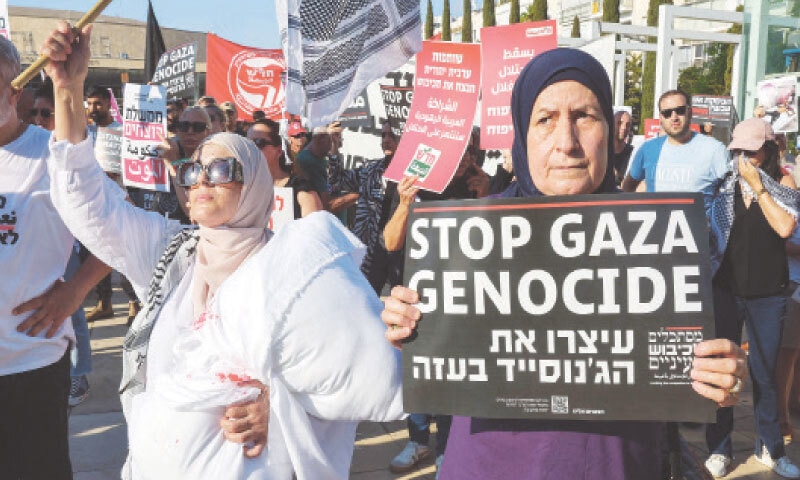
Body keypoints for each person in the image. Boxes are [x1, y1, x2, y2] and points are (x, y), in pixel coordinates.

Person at [43, 21, 402, 479]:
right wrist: (67, 89)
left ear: (254, 183)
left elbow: (362, 380)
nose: (200, 181)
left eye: (219, 170)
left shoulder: (290, 271)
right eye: (192, 171)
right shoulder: (170, 254)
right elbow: (87, 203)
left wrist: (281, 405)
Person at [381, 47, 747, 480]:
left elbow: (694, 362)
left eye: (584, 116)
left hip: (618, 466)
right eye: (545, 119)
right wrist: (409, 323)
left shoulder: (660, 236)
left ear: (610, 129)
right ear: (522, 132)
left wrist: (720, 376)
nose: (566, 143)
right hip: (486, 465)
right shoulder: (466, 234)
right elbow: (432, 343)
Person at [0, 33, 110, 478]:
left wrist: (76, 290)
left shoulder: (52, 156)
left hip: (30, 363)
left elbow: (119, 227)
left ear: (16, 91)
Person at [707, 118, 800, 478]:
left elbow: (785, 227)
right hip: (726, 289)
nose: (744, 158)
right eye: (739, 151)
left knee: (765, 373)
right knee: (723, 372)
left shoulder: (783, 183)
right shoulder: (726, 184)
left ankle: (771, 448)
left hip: (768, 293)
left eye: (751, 151)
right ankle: (719, 448)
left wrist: (759, 187)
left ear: (769, 150)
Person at [621, 89, 729, 197]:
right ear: (661, 118)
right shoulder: (648, 149)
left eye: (680, 110)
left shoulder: (715, 150)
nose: (674, 117)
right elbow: (627, 189)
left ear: (690, 113)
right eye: (667, 113)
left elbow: (728, 196)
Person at [247, 118, 322, 220]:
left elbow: (315, 228)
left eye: (258, 143)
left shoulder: (302, 192)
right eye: (247, 143)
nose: (250, 148)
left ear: (278, 151)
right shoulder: (242, 188)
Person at [778, 225, 800, 445]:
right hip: (792, 283)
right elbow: (776, 242)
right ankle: (781, 417)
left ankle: (794, 402)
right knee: (787, 353)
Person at [612, 110, 633, 185]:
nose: (624, 127)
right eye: (619, 123)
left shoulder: (632, 153)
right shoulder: (601, 151)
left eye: (628, 125)